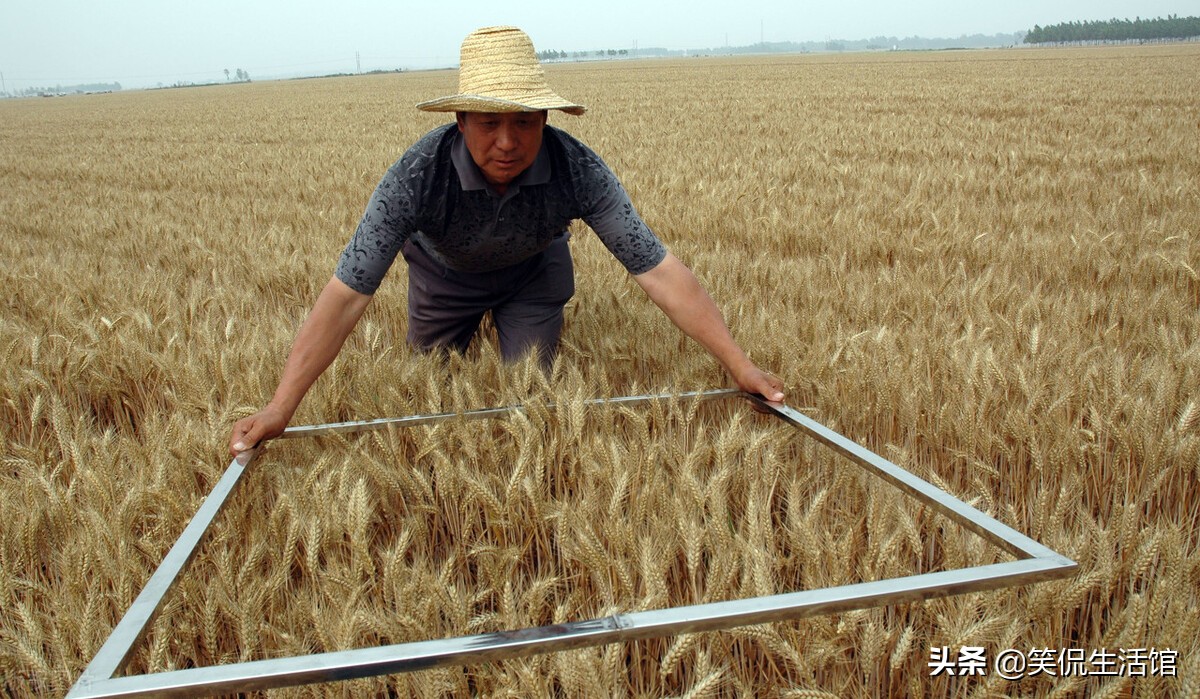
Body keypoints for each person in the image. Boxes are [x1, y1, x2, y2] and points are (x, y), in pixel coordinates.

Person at [229, 26, 783, 457]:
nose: (507, 141)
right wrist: (282, 406)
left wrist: (740, 364)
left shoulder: (578, 169)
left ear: (545, 118)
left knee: (532, 399)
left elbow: (657, 269)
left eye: (523, 121)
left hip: (533, 274)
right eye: (488, 122)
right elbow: (348, 293)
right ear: (461, 120)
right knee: (434, 388)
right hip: (443, 278)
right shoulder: (415, 177)